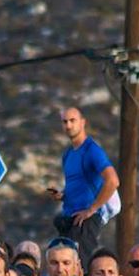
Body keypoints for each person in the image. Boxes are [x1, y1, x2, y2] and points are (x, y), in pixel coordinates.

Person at [46, 107, 120, 261]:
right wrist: (62, 195)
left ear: (83, 122)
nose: (68, 125)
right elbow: (78, 185)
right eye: (65, 122)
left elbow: (113, 180)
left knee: (82, 269)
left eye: (73, 121)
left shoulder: (91, 150)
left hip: (84, 221)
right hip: (69, 219)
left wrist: (92, 209)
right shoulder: (68, 154)